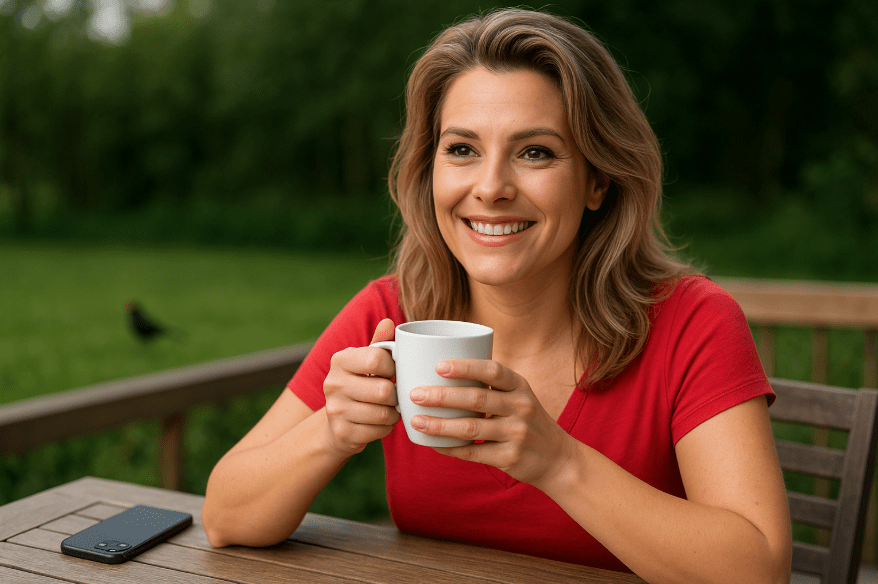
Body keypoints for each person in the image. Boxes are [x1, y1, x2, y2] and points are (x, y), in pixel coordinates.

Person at [202, 8, 792, 582]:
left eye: (535, 152)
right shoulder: (392, 314)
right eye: (461, 149)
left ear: (597, 180)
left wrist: (558, 463)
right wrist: (330, 430)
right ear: (427, 169)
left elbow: (759, 569)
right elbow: (226, 517)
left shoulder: (692, 322)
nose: (490, 188)